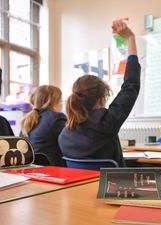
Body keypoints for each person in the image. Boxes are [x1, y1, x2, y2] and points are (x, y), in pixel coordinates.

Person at [58, 20, 141, 167]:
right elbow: (131, 85)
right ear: (101, 100)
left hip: (79, 190)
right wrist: (130, 39)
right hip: (113, 189)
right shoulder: (108, 122)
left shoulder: (64, 134)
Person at [20, 85, 67, 166]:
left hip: (31, 168)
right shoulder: (57, 117)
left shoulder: (27, 120)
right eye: (60, 100)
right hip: (53, 170)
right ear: (54, 102)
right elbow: (67, 145)